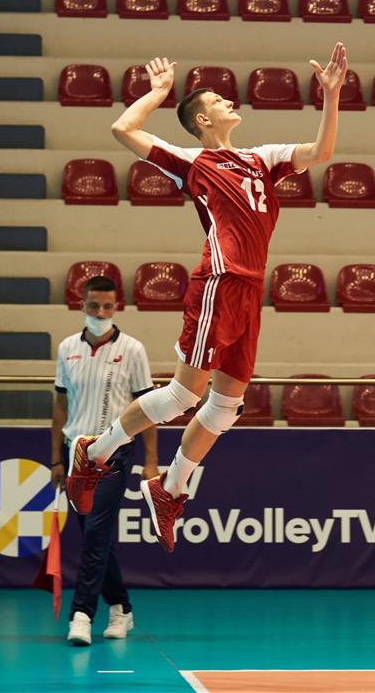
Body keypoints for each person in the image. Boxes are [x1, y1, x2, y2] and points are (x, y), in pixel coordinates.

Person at [66, 44, 348, 553]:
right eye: (218, 100)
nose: (229, 102)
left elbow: (321, 152)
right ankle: (95, 450)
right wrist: (157, 94)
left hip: (251, 289)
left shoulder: (261, 158)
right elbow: (123, 129)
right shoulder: (193, 161)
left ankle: (169, 488)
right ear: (202, 118)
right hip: (219, 280)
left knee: (225, 407)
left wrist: (331, 97)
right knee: (183, 396)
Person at [52, 275, 159, 645]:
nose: (100, 312)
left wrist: (150, 461)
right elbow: (60, 406)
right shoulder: (67, 348)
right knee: (94, 536)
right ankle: (120, 607)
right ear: (82, 304)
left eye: (107, 306)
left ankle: (81, 615)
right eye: (94, 305)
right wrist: (56, 459)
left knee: (96, 531)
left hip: (114, 452)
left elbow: (147, 410)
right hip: (75, 452)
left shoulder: (133, 350)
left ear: (118, 306)